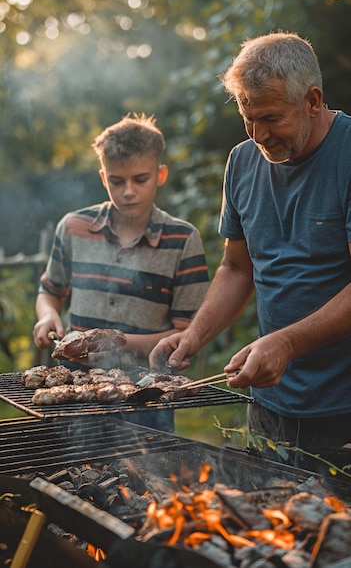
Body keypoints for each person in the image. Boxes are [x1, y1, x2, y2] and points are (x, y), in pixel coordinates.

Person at [149, 31, 351, 470]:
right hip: (269, 408)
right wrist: (195, 335)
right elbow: (237, 269)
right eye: (247, 118)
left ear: (313, 101)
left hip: (343, 408)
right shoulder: (241, 161)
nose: (259, 135)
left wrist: (286, 344)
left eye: (271, 118)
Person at [33, 113, 209, 432]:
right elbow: (50, 291)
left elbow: (187, 333)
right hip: (75, 391)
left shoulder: (183, 240)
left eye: (140, 179)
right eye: (117, 181)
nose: (128, 191)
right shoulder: (73, 227)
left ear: (160, 174)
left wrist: (113, 343)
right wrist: (47, 316)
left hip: (147, 394)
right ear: (103, 178)